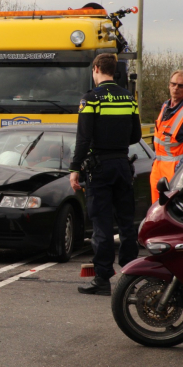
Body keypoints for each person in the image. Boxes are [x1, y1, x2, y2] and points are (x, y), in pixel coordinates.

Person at [70, 53, 142, 295]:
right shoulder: (128, 98)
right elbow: (135, 137)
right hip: (123, 165)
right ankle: (131, 277)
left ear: (97, 68)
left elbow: (83, 138)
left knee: (101, 224)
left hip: (99, 168)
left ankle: (102, 279)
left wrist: (74, 169)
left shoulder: (91, 99)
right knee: (126, 223)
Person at [149, 70, 183, 202]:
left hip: (175, 173)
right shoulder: (165, 106)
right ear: (169, 85)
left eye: (181, 86)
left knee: (171, 213)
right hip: (158, 167)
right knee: (156, 212)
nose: (176, 88)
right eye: (173, 84)